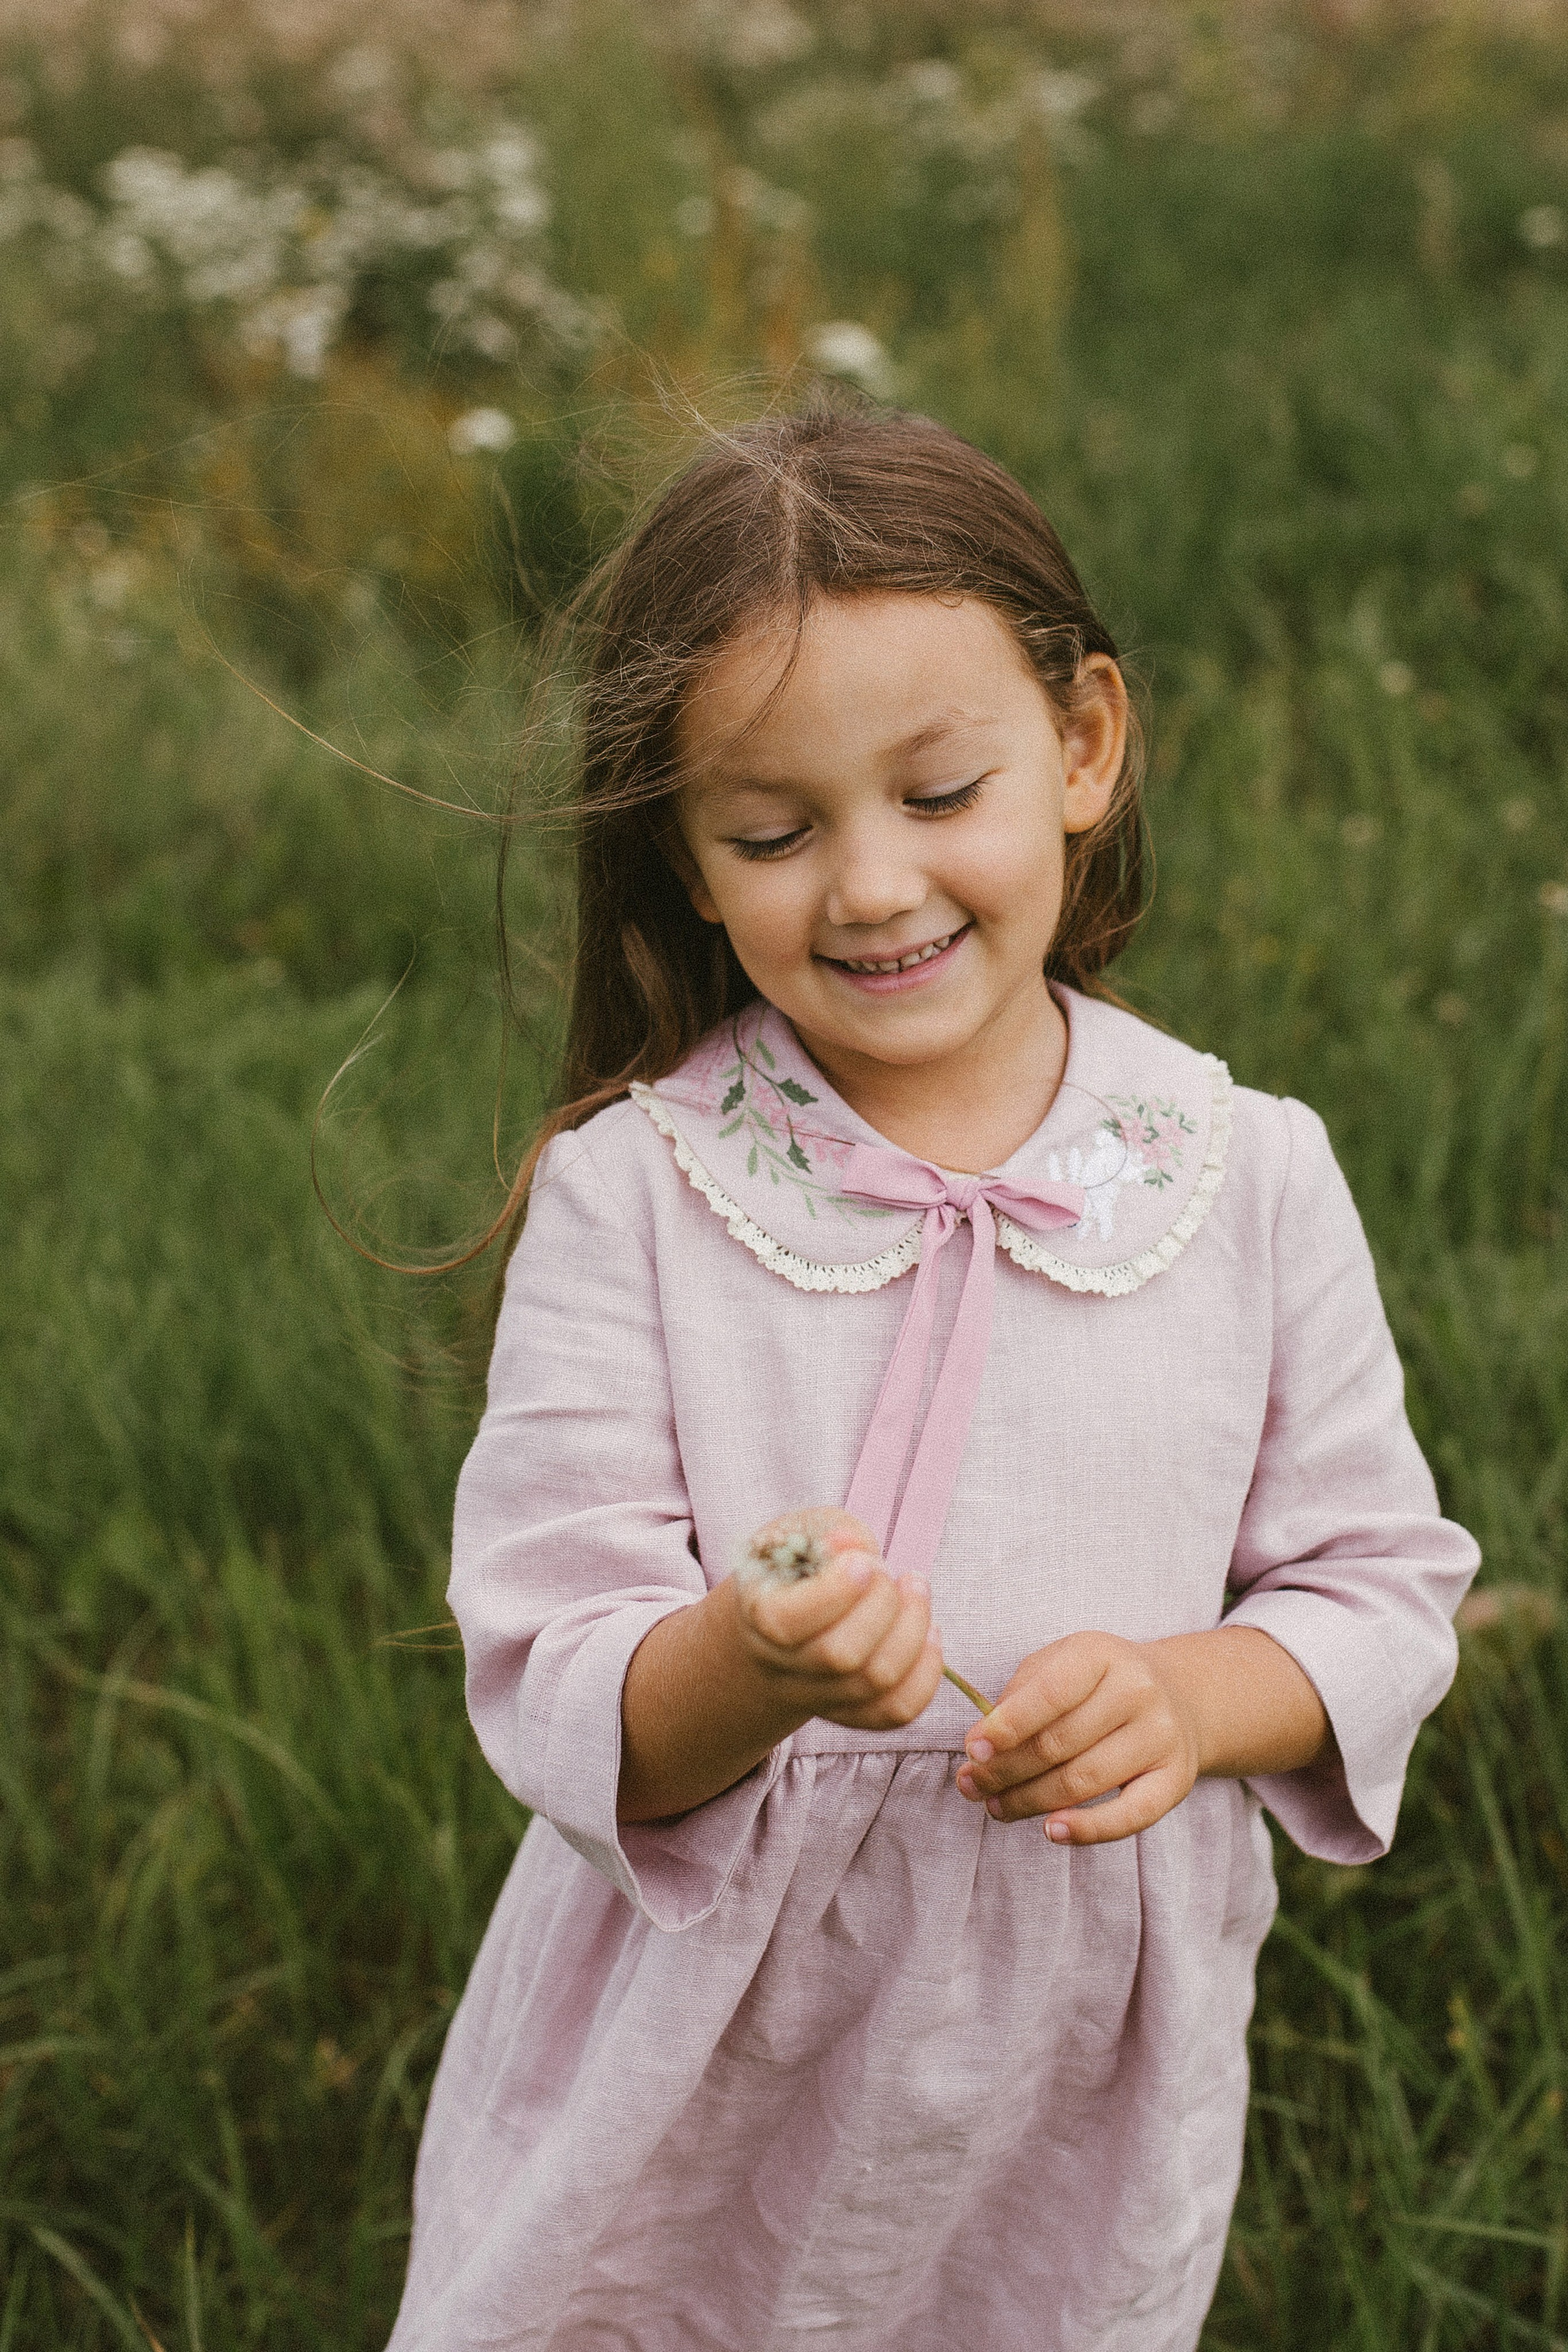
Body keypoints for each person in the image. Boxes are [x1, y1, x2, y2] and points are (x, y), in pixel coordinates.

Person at [385, 409, 1477, 2351]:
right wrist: (753, 1664)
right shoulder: (639, 1195)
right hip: (703, 2028)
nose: (873, 888)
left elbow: (1381, 1586)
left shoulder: (1246, 1176)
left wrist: (1191, 1696)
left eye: (938, 791)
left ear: (1082, 747)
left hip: (1063, 2054)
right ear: (689, 862)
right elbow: (550, 1658)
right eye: (776, 833)